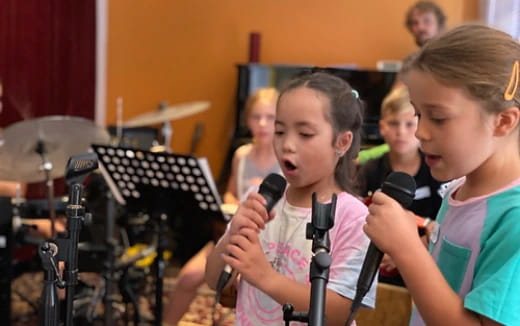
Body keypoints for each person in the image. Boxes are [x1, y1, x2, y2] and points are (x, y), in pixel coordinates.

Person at [364, 24, 520, 325]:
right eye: (418, 115)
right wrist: (414, 247)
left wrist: (407, 249)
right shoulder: (458, 189)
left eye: (438, 118)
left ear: (502, 121)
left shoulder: (513, 219)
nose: (421, 132)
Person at [205, 72, 376, 326]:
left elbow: (340, 313)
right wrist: (233, 236)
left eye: (305, 134)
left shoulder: (354, 217)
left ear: (342, 142)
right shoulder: (261, 199)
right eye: (280, 131)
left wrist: (265, 277)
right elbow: (214, 279)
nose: (287, 145)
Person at [162, 87, 280, 326]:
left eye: (270, 117)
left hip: (269, 241)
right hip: (234, 233)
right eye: (256, 117)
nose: (263, 124)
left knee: (243, 287)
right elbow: (231, 192)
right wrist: (232, 202)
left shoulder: (285, 158)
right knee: (187, 277)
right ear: (247, 120)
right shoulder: (242, 155)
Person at [357, 85, 443, 286]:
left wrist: (403, 252)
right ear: (382, 127)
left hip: (424, 269)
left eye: (409, 124)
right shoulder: (368, 171)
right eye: (394, 124)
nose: (401, 132)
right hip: (373, 265)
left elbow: (442, 226)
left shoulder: (436, 171)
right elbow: (356, 218)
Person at [356, 1, 447, 164]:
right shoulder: (410, 63)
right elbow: (395, 101)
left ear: (439, 22)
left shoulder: (455, 58)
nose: (419, 27)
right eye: (414, 23)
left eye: (426, 21)